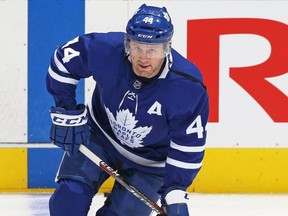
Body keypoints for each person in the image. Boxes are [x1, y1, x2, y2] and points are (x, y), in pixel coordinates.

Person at [46, 4, 209, 216]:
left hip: (150, 165)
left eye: (153, 50)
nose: (143, 57)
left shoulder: (186, 86)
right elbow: (63, 61)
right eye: (137, 47)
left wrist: (175, 191)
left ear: (166, 48)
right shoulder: (106, 50)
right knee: (68, 203)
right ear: (127, 43)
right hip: (99, 138)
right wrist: (65, 110)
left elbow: (188, 146)